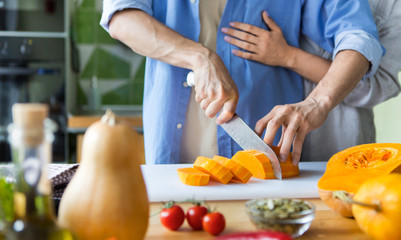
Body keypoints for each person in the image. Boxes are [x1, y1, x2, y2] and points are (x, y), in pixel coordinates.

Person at [100, 0, 383, 164]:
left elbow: (358, 36)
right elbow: (121, 17)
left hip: (266, 161)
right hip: (171, 159)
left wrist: (318, 103)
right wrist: (201, 58)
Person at [222, 0, 401, 162]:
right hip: (279, 133)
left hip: (338, 137)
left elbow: (372, 86)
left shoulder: (392, 6)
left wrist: (289, 57)